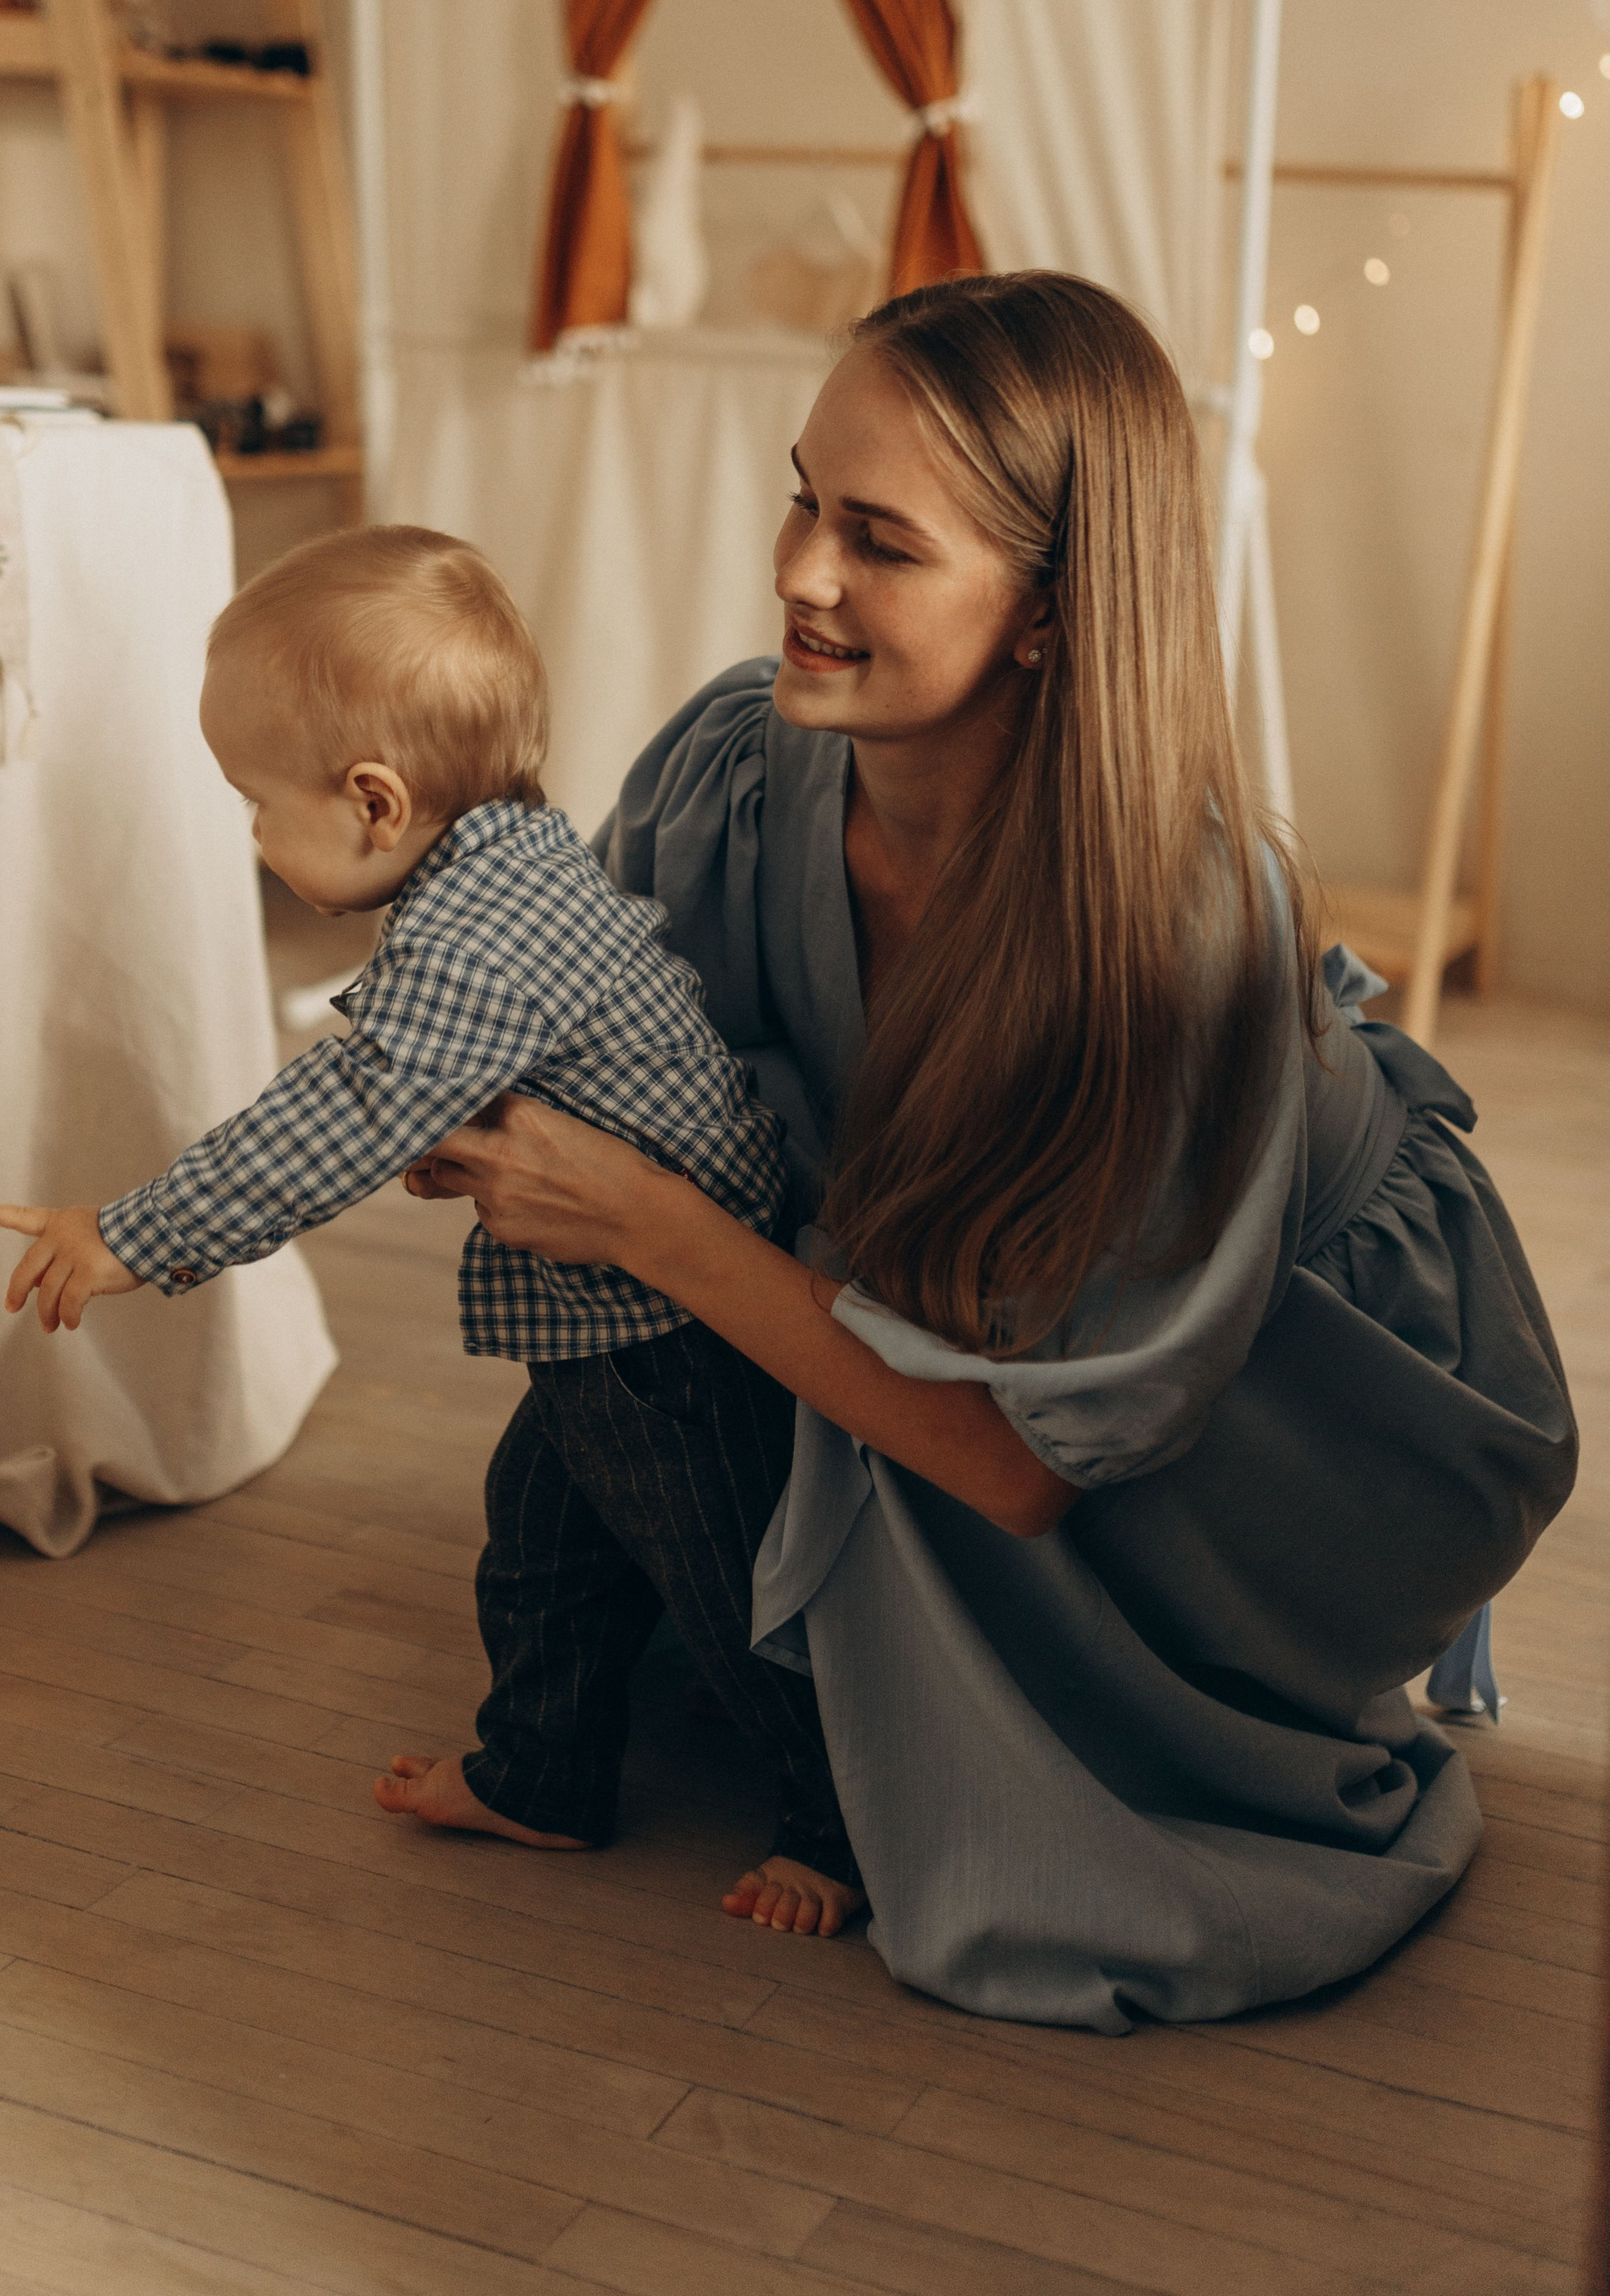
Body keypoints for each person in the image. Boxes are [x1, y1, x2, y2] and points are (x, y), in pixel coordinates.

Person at [404, 273, 1578, 2028]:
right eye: (805, 498)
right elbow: (604, 1042)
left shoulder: (1172, 943)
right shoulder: (738, 768)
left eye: (879, 541)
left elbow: (1032, 1467)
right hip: (974, 1295)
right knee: (609, 1367)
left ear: (1047, 613)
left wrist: (645, 1220)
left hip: (1305, 1394)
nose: (802, 572)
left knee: (987, 1722)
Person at [0, 523, 860, 1920]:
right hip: (607, 1328)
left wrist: (131, 1234)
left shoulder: (473, 940)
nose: (252, 836)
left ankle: (841, 1826)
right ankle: (543, 1777)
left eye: (256, 804)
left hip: (673, 1338)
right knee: (542, 1542)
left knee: (730, 1580)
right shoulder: (508, 853)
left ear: (376, 803)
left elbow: (333, 1117)